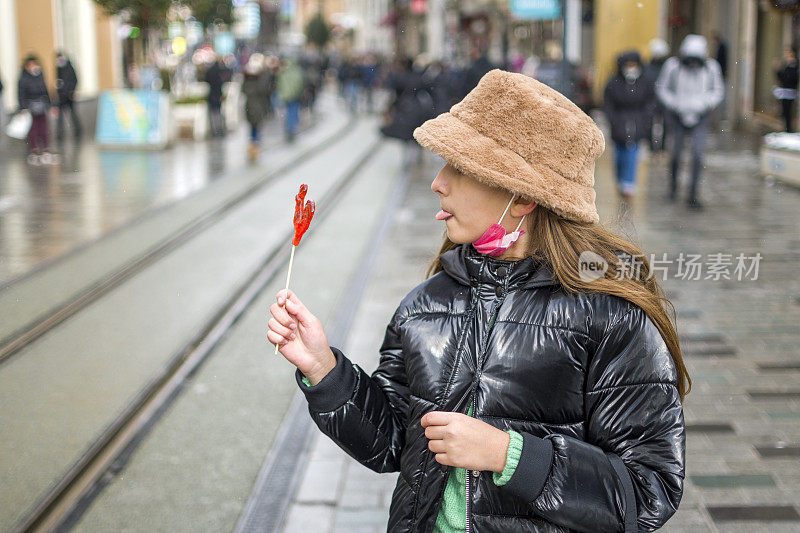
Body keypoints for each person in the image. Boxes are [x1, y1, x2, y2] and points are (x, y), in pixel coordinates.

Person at [268, 69, 688, 532]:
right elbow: (392, 442)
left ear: (523, 196)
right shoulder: (426, 305)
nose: (438, 182)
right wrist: (324, 370)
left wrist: (509, 454)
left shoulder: (612, 317)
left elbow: (648, 490)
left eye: (462, 168)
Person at [656, 34, 725, 209]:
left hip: (700, 116)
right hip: (677, 116)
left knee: (697, 154)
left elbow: (717, 90)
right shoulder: (673, 66)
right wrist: (673, 104)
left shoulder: (711, 68)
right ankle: (673, 187)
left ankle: (693, 193)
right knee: (676, 154)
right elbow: (662, 87)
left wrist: (705, 104)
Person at [604, 50, 652, 203]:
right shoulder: (613, 82)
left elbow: (650, 102)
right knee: (619, 156)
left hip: (637, 123)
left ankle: (629, 185)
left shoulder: (645, 82)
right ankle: (620, 181)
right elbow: (608, 103)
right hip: (619, 124)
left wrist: (645, 119)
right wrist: (613, 119)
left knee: (632, 153)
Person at [17, 55, 58, 165]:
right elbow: (21, 94)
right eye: (30, 65)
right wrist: (22, 108)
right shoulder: (23, 78)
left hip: (42, 105)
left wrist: (52, 105)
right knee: (33, 128)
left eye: (34, 64)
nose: (33, 67)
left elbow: (46, 91)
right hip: (30, 107)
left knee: (44, 127)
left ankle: (45, 148)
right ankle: (34, 150)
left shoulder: (40, 75)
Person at [241, 53, 270, 163]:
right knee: (257, 128)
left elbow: (244, 90)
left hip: (250, 108)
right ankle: (255, 148)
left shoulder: (247, 81)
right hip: (257, 107)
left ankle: (253, 147)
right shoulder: (261, 80)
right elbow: (264, 91)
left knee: (253, 128)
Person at [644, 38, 670, 153]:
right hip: (651, 99)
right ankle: (652, 148)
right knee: (649, 123)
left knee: (666, 124)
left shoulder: (668, 67)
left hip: (664, 100)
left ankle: (662, 148)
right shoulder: (647, 68)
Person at [276, 57, 305, 143]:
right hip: (294, 96)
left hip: (286, 96)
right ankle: (291, 129)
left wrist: (283, 94)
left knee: (288, 112)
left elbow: (280, 84)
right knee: (293, 112)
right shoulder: (297, 72)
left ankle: (289, 128)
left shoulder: (284, 73)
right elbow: (300, 84)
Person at [55, 51, 82, 141]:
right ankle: (60, 134)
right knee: (60, 117)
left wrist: (71, 91)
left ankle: (78, 131)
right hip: (61, 96)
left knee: (73, 114)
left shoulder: (69, 67)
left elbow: (74, 80)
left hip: (69, 96)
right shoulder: (58, 68)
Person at [774, 47, 799, 133]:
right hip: (785, 92)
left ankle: (788, 130)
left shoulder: (794, 66)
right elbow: (782, 78)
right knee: (784, 112)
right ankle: (786, 129)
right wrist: (777, 70)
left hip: (790, 92)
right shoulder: (787, 65)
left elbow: (789, 79)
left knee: (787, 112)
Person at [204, 57, 230, 136]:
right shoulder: (218, 72)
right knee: (217, 113)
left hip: (212, 95)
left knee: (214, 113)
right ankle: (218, 129)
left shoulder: (210, 71)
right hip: (216, 95)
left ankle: (215, 130)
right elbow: (219, 84)